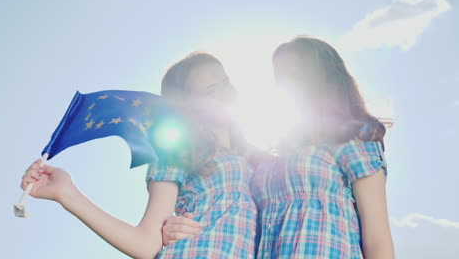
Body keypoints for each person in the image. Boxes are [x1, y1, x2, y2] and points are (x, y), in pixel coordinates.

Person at [162, 37, 395, 258]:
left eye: (294, 75)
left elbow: (377, 239)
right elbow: (229, 211)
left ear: (321, 77)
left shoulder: (354, 138)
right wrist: (174, 225)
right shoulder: (269, 160)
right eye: (280, 78)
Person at [21, 52, 258, 259]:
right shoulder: (179, 151)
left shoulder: (259, 160)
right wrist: (68, 194)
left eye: (225, 82)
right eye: (211, 91)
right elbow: (146, 244)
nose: (225, 93)